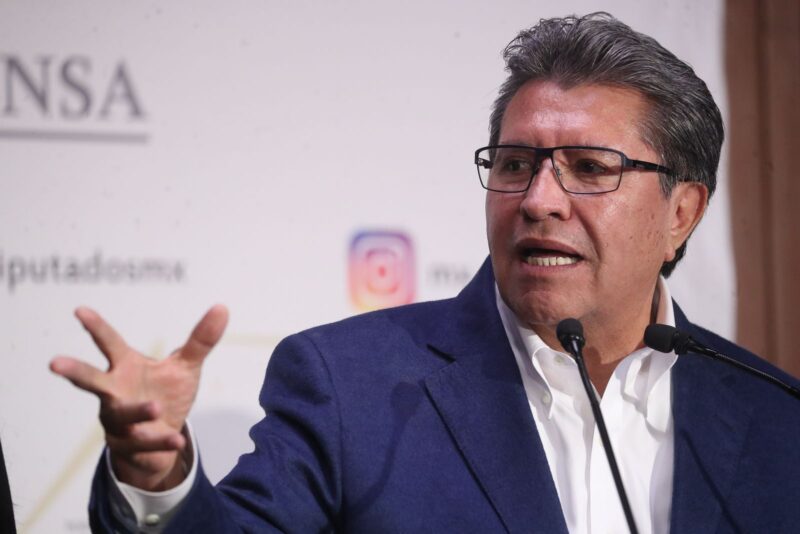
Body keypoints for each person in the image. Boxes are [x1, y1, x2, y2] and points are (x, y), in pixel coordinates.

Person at [51, 12, 800, 534]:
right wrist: (157, 479)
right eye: (515, 164)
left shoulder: (776, 417)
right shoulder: (352, 386)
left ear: (681, 213)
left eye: (589, 168)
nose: (539, 200)